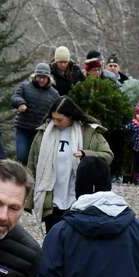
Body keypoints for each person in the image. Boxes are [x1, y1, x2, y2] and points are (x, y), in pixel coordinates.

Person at [25, 95, 113, 233]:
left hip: (77, 200)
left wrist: (86, 154)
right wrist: (28, 199)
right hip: (51, 200)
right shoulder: (43, 133)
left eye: (59, 119)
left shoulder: (89, 132)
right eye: (53, 118)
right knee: (54, 240)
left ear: (71, 116)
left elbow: (108, 156)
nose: (55, 122)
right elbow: (31, 165)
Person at [10, 63, 60, 166]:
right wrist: (20, 103)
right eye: (39, 77)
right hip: (23, 128)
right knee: (22, 156)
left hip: (40, 131)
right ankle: (20, 178)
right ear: (35, 76)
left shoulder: (54, 94)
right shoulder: (25, 86)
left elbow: (58, 109)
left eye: (44, 78)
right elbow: (15, 97)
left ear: (48, 78)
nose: (41, 80)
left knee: (35, 159)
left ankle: (33, 179)